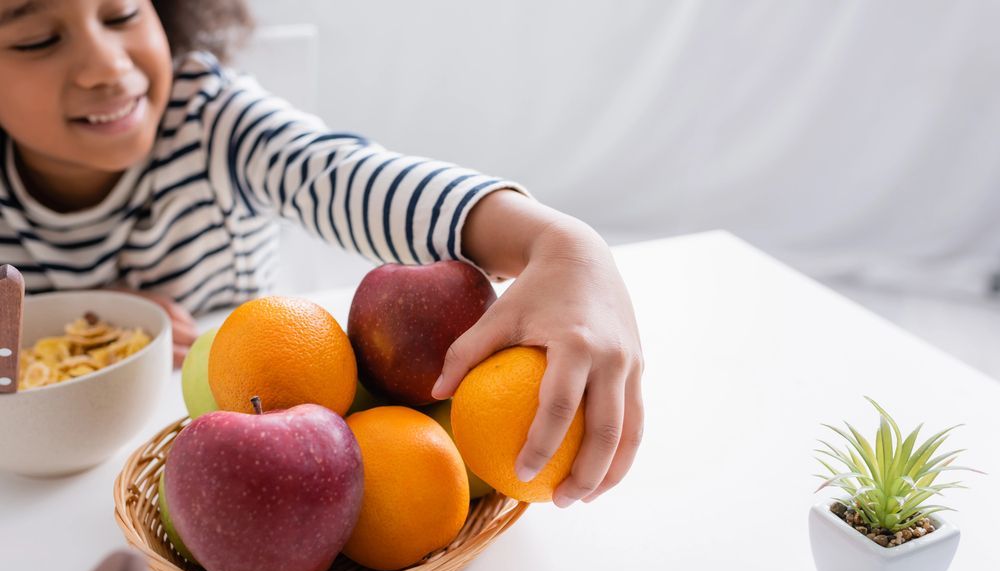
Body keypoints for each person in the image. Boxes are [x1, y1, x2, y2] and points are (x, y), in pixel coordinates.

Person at [0, 0, 643, 508]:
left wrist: (558, 243)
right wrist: (84, 321)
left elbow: (348, 177)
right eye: (35, 39)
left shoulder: (213, 122)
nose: (107, 66)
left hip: (271, 420)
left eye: (122, 14)